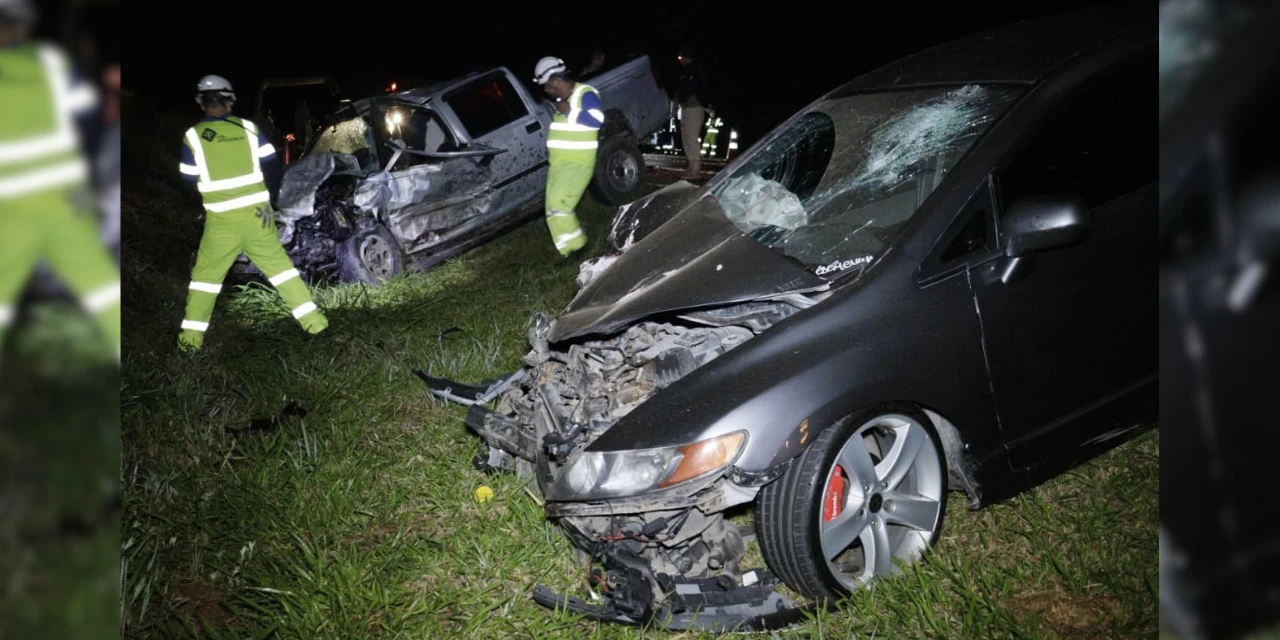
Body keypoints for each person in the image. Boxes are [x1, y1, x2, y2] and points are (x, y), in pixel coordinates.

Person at [0, 0, 121, 364]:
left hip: (15, 205)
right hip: (65, 197)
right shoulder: (53, 64)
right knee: (98, 282)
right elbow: (90, 123)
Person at [176, 75, 328, 352]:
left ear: (201, 103)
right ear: (231, 100)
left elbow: (188, 180)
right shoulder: (249, 129)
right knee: (280, 270)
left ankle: (190, 341)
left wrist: (204, 203)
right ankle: (315, 323)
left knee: (205, 279)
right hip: (259, 216)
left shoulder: (193, 137)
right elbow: (273, 168)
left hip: (221, 221)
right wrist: (268, 202)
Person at [534, 56, 603, 261]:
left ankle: (579, 246)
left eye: (546, 85)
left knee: (560, 205)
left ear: (556, 79)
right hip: (559, 164)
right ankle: (568, 250)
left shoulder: (585, 94)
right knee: (552, 209)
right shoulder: (561, 102)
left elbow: (596, 120)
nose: (546, 90)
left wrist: (570, 112)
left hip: (578, 163)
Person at [676, 45, 712, 180]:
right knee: (687, 137)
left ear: (685, 57)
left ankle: (695, 169)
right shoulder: (689, 71)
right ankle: (691, 167)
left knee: (691, 137)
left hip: (694, 107)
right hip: (687, 107)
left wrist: (705, 104)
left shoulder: (695, 70)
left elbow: (699, 88)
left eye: (681, 57)